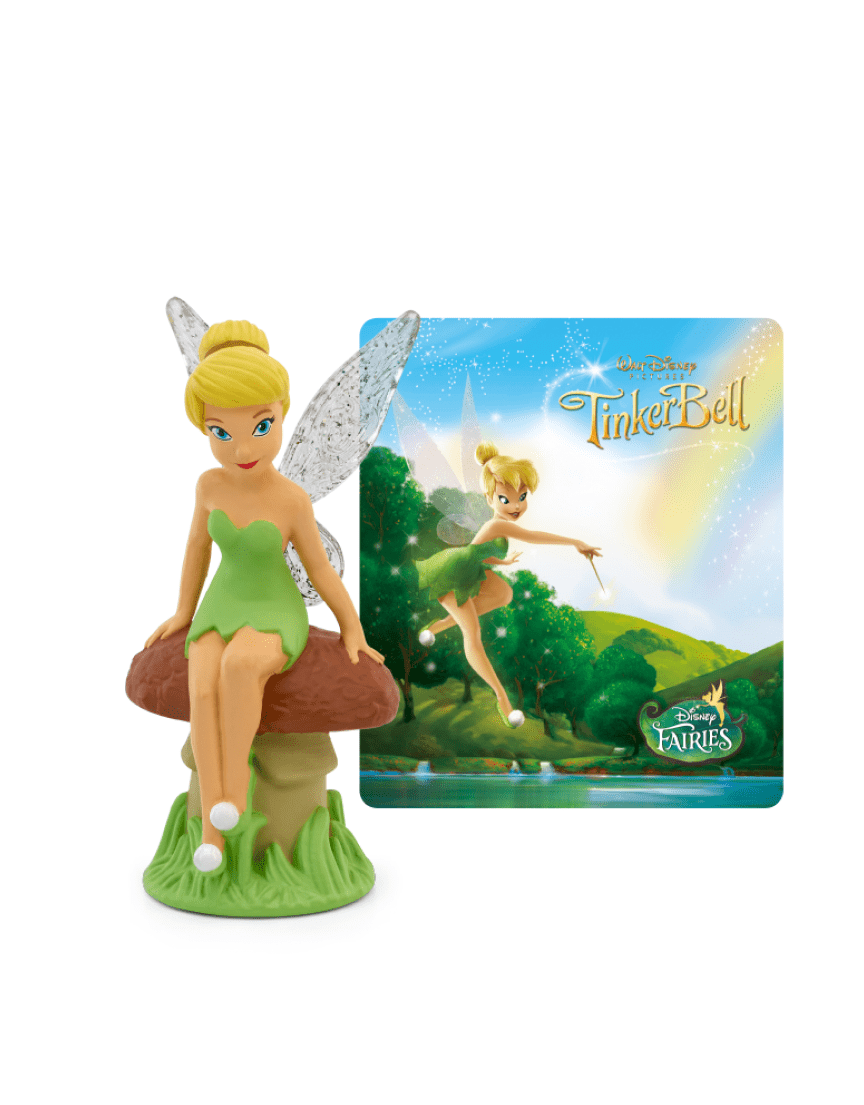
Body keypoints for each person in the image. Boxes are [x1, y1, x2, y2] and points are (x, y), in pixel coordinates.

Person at [145, 320, 382, 873]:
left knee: (241, 666)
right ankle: (212, 830)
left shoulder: (290, 498)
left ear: (281, 413)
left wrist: (351, 626)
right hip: (222, 603)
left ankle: (231, 795)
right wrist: (183, 611)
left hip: (274, 608)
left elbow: (319, 571)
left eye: (261, 425)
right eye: (221, 432)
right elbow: (197, 550)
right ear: (205, 430)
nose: (243, 448)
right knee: (202, 679)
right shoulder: (209, 486)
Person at [416, 441, 601, 727]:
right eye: (506, 499)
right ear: (489, 498)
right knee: (472, 633)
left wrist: (502, 563)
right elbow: (533, 536)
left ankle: (438, 626)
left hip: (470, 570)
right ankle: (502, 698)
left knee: (503, 593)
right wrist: (575, 542)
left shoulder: (496, 527)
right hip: (453, 577)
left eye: (522, 497)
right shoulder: (497, 525)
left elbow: (478, 552)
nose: (516, 506)